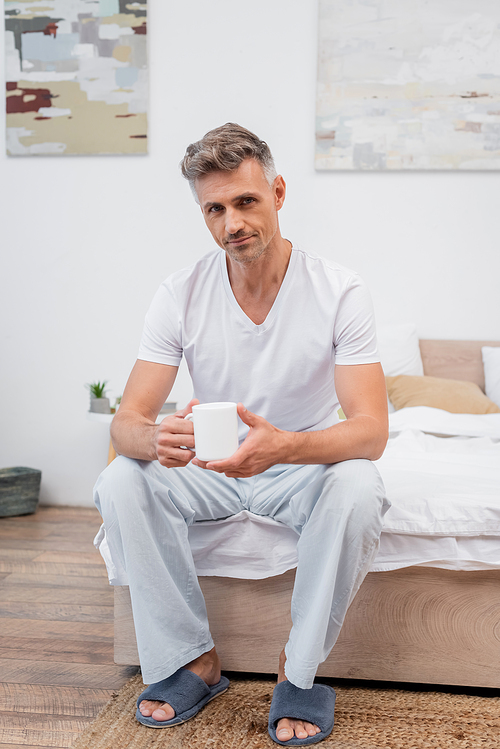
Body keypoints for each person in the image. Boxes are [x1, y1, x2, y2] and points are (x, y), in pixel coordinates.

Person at [94, 123, 390, 746]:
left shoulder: (340, 290)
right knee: (122, 478)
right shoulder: (180, 292)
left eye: (246, 201)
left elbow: (370, 431)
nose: (233, 222)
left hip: (301, 466)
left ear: (278, 193)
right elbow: (127, 422)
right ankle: (192, 661)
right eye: (215, 209)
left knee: (360, 486)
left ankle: (298, 672)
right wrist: (154, 440)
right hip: (210, 469)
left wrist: (284, 446)